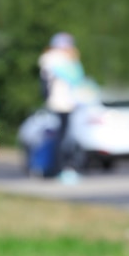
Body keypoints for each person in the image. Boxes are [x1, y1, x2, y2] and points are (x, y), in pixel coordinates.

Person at [38, 32, 86, 182]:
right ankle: (61, 169)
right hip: (61, 103)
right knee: (62, 139)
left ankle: (60, 168)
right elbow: (76, 77)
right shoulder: (56, 59)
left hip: (64, 103)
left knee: (61, 137)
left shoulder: (53, 59)